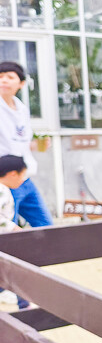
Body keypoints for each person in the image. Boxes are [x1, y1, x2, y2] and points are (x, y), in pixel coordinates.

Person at [0, 61, 53, 227]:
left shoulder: (22, 109)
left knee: (46, 225)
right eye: (0, 77)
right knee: (8, 231)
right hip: (5, 179)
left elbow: (21, 140)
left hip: (24, 177)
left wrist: (36, 145)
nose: (4, 80)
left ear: (21, 83)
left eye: (10, 77)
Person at [0, 154, 30, 309]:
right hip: (4, 240)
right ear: (12, 174)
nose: (23, 180)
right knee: (16, 270)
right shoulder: (2, 191)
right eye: (22, 175)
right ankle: (24, 304)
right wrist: (12, 227)